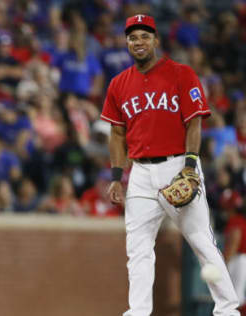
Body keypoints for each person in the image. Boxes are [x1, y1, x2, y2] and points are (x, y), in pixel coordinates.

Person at [101, 15, 240, 316]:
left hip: (177, 165)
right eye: (133, 37)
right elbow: (116, 133)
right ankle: (138, 312)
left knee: (201, 241)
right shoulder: (119, 84)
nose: (138, 42)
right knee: (137, 249)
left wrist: (190, 165)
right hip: (138, 173)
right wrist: (116, 175)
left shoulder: (181, 74)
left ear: (156, 40)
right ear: (127, 42)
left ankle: (228, 310)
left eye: (144, 36)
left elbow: (194, 123)